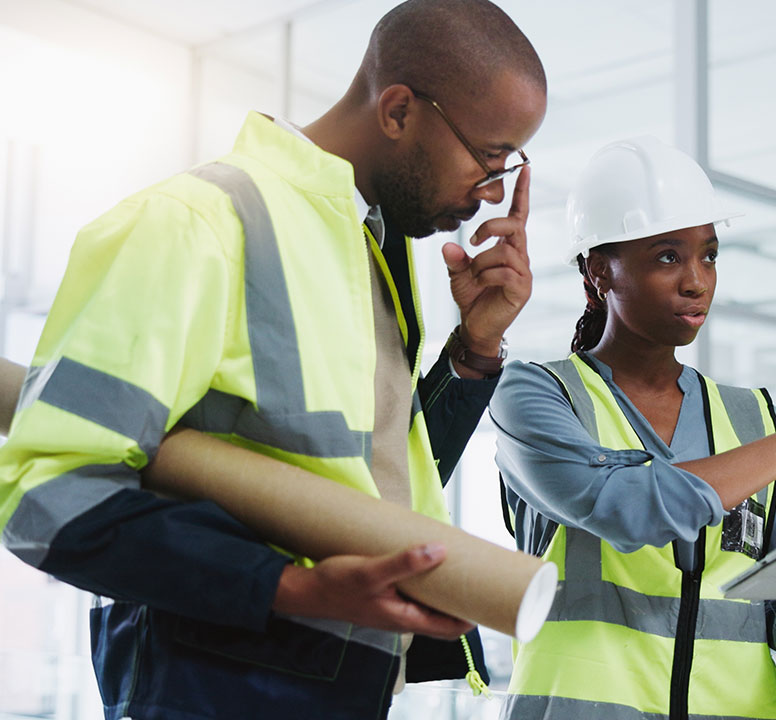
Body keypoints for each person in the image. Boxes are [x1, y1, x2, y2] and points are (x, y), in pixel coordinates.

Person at [0, 1, 545, 718]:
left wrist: (473, 351)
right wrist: (289, 587)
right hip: (207, 692)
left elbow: (368, 489)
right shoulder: (196, 224)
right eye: (489, 156)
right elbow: (47, 496)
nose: (495, 190)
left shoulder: (366, 247)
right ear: (398, 111)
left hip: (337, 688)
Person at [489, 136, 776, 720]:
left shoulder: (754, 417)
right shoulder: (538, 395)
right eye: (668, 257)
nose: (697, 281)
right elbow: (628, 508)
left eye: (710, 256)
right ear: (599, 271)